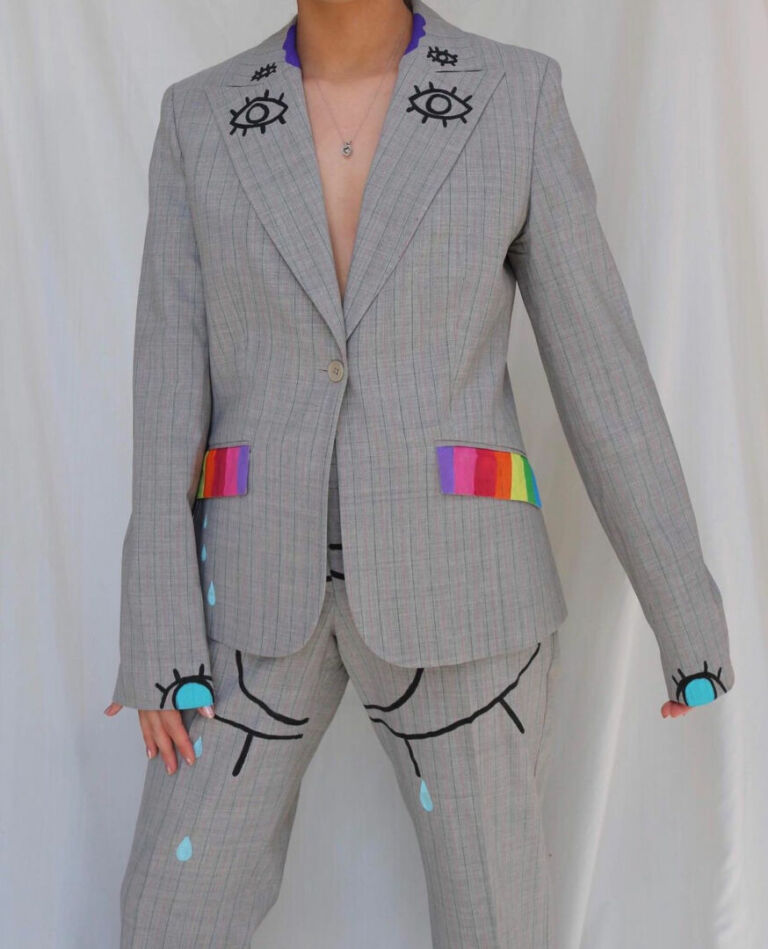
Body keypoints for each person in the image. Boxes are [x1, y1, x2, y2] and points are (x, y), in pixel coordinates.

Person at [104, 0, 736, 945]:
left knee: (497, 924)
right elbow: (165, 393)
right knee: (168, 913)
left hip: (468, 592)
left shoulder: (514, 98)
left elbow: (603, 376)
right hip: (244, 594)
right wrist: (158, 637)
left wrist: (686, 615)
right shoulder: (201, 115)